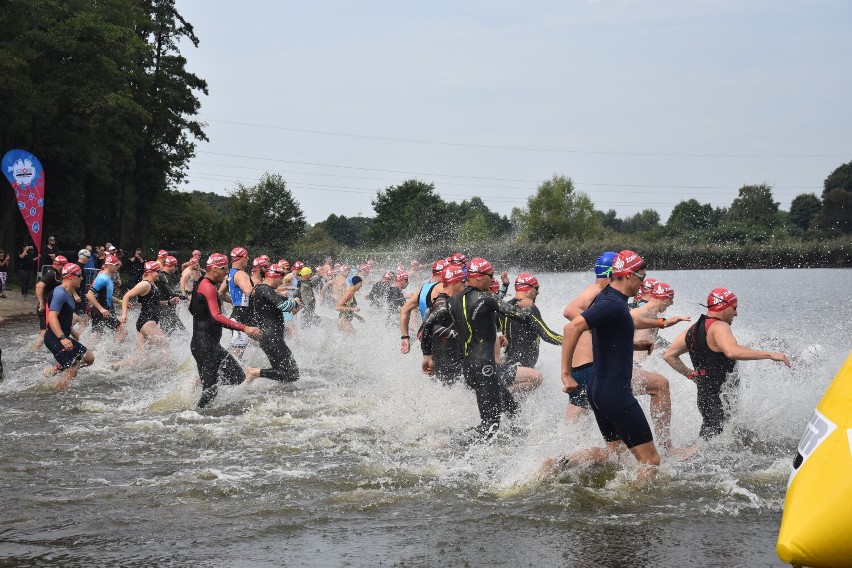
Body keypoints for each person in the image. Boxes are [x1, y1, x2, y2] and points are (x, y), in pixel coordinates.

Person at [548, 250, 689, 483]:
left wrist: (634, 344)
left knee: (617, 455)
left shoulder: (610, 299)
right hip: (615, 393)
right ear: (627, 275)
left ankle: (559, 464)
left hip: (599, 390)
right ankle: (637, 512)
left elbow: (606, 334)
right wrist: (565, 375)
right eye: (642, 277)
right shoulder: (613, 303)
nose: (643, 284)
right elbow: (571, 328)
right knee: (651, 460)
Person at [421, 258, 532, 439]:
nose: (492, 279)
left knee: (512, 409)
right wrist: (528, 306)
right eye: (490, 275)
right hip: (484, 368)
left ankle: (518, 446)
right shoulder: (486, 298)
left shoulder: (452, 302)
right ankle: (453, 445)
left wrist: (427, 354)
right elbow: (519, 316)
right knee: (490, 424)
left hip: (470, 368)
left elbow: (427, 325)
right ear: (479, 278)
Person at [663, 287, 791, 440]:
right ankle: (688, 457)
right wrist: (770, 354)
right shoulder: (720, 326)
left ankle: (693, 457)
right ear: (723, 306)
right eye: (734, 308)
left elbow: (669, 355)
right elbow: (732, 351)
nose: (736, 313)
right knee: (712, 438)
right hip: (718, 394)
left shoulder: (692, 329)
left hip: (705, 393)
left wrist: (692, 376)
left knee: (713, 435)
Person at [189, 253, 263, 408]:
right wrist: (245, 328)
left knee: (237, 377)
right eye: (224, 269)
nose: (226, 273)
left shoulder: (200, 284)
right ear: (215, 269)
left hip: (209, 344)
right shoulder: (208, 288)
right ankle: (193, 417)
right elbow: (217, 316)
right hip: (205, 346)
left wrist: (204, 320)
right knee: (210, 391)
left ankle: (200, 383)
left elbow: (192, 309)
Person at [562, 251, 617, 420]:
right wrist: (596, 326)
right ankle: (666, 444)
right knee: (659, 385)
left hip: (581, 370)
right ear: (611, 273)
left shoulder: (599, 293)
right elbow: (569, 311)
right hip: (590, 368)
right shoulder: (597, 292)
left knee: (576, 433)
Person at [498, 272, 563, 393]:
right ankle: (503, 393)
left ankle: (503, 393)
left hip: (511, 366)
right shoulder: (529, 308)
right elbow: (547, 335)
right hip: (523, 370)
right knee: (536, 379)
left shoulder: (506, 307)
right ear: (529, 289)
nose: (538, 292)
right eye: (536, 288)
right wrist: (570, 339)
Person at [114, 261, 177, 370]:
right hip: (147, 322)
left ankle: (114, 366)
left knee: (139, 355)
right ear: (151, 272)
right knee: (165, 346)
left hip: (144, 322)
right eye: (158, 271)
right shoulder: (145, 284)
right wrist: (124, 314)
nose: (159, 274)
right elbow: (126, 296)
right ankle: (168, 372)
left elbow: (154, 302)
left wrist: (169, 302)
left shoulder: (152, 285)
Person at [245, 263, 300, 383]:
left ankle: (280, 397)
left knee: (282, 372)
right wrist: (295, 302)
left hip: (268, 337)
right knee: (292, 373)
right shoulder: (265, 288)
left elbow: (276, 302)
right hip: (271, 338)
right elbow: (283, 305)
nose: (282, 281)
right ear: (273, 276)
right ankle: (254, 372)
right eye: (281, 277)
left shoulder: (261, 289)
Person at [43, 263, 95, 389]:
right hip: (54, 337)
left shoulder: (69, 293)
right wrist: (63, 338)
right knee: (72, 369)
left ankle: (59, 367)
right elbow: (52, 317)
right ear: (70, 277)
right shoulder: (60, 293)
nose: (82, 278)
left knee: (89, 358)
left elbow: (64, 317)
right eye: (79, 275)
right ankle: (57, 393)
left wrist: (72, 332)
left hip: (63, 335)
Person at [419, 264, 466, 385]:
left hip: (448, 356)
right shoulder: (441, 302)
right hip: (445, 358)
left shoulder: (450, 301)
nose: (465, 285)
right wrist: (459, 335)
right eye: (463, 282)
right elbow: (431, 327)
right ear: (453, 283)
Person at [400, 259, 447, 354]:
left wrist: (405, 337)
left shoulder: (423, 288)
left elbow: (404, 310)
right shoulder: (442, 287)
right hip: (443, 337)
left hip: (427, 338)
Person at [219, 247, 253, 358]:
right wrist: (267, 291)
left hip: (238, 313)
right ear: (241, 258)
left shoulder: (230, 275)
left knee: (241, 349)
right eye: (246, 256)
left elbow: (220, 293)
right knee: (236, 352)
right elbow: (249, 292)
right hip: (242, 316)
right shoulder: (241, 274)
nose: (248, 258)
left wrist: (234, 302)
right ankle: (221, 371)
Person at [86, 254, 127, 342]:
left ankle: (88, 352)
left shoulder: (107, 278)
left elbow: (107, 295)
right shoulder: (103, 278)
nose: (118, 267)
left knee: (97, 335)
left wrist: (120, 301)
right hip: (101, 311)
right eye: (116, 265)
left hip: (99, 310)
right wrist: (101, 309)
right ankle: (111, 353)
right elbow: (89, 295)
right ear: (109, 265)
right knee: (123, 332)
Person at [32, 255, 68, 350]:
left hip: (48, 306)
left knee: (48, 330)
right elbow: (39, 286)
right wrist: (41, 302)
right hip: (45, 306)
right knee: (44, 331)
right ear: (60, 265)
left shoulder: (55, 273)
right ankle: (34, 350)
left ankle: (41, 348)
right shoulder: (51, 273)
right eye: (64, 266)